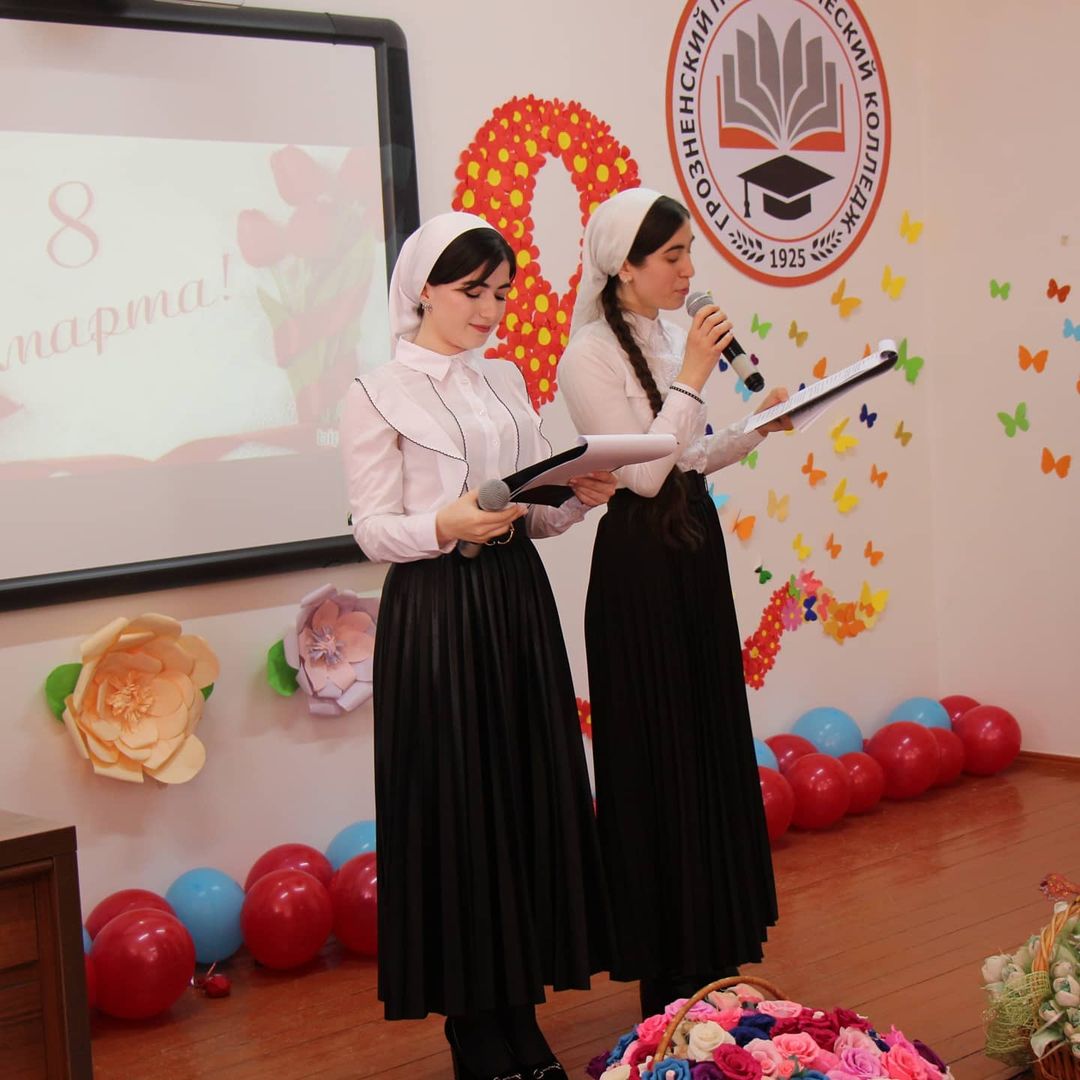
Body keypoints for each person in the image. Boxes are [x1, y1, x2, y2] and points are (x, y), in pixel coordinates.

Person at [341, 212, 615, 1080]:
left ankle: (519, 1016)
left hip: (513, 600)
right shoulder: (377, 390)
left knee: (524, 796)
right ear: (424, 288)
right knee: (459, 807)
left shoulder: (504, 379)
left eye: (501, 293)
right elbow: (373, 529)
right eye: (473, 292)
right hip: (435, 611)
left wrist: (577, 499)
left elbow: (531, 511)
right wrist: (442, 524)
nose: (491, 311)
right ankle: (472, 1024)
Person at [557, 188, 790, 1020]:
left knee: (706, 745)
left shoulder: (663, 336)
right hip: (640, 568)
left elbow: (688, 458)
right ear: (625, 266)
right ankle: (667, 978)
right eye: (673, 256)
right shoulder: (588, 356)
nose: (691, 271)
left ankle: (716, 958)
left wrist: (759, 426)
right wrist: (692, 372)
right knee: (656, 758)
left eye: (691, 252)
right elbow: (647, 474)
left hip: (694, 554)